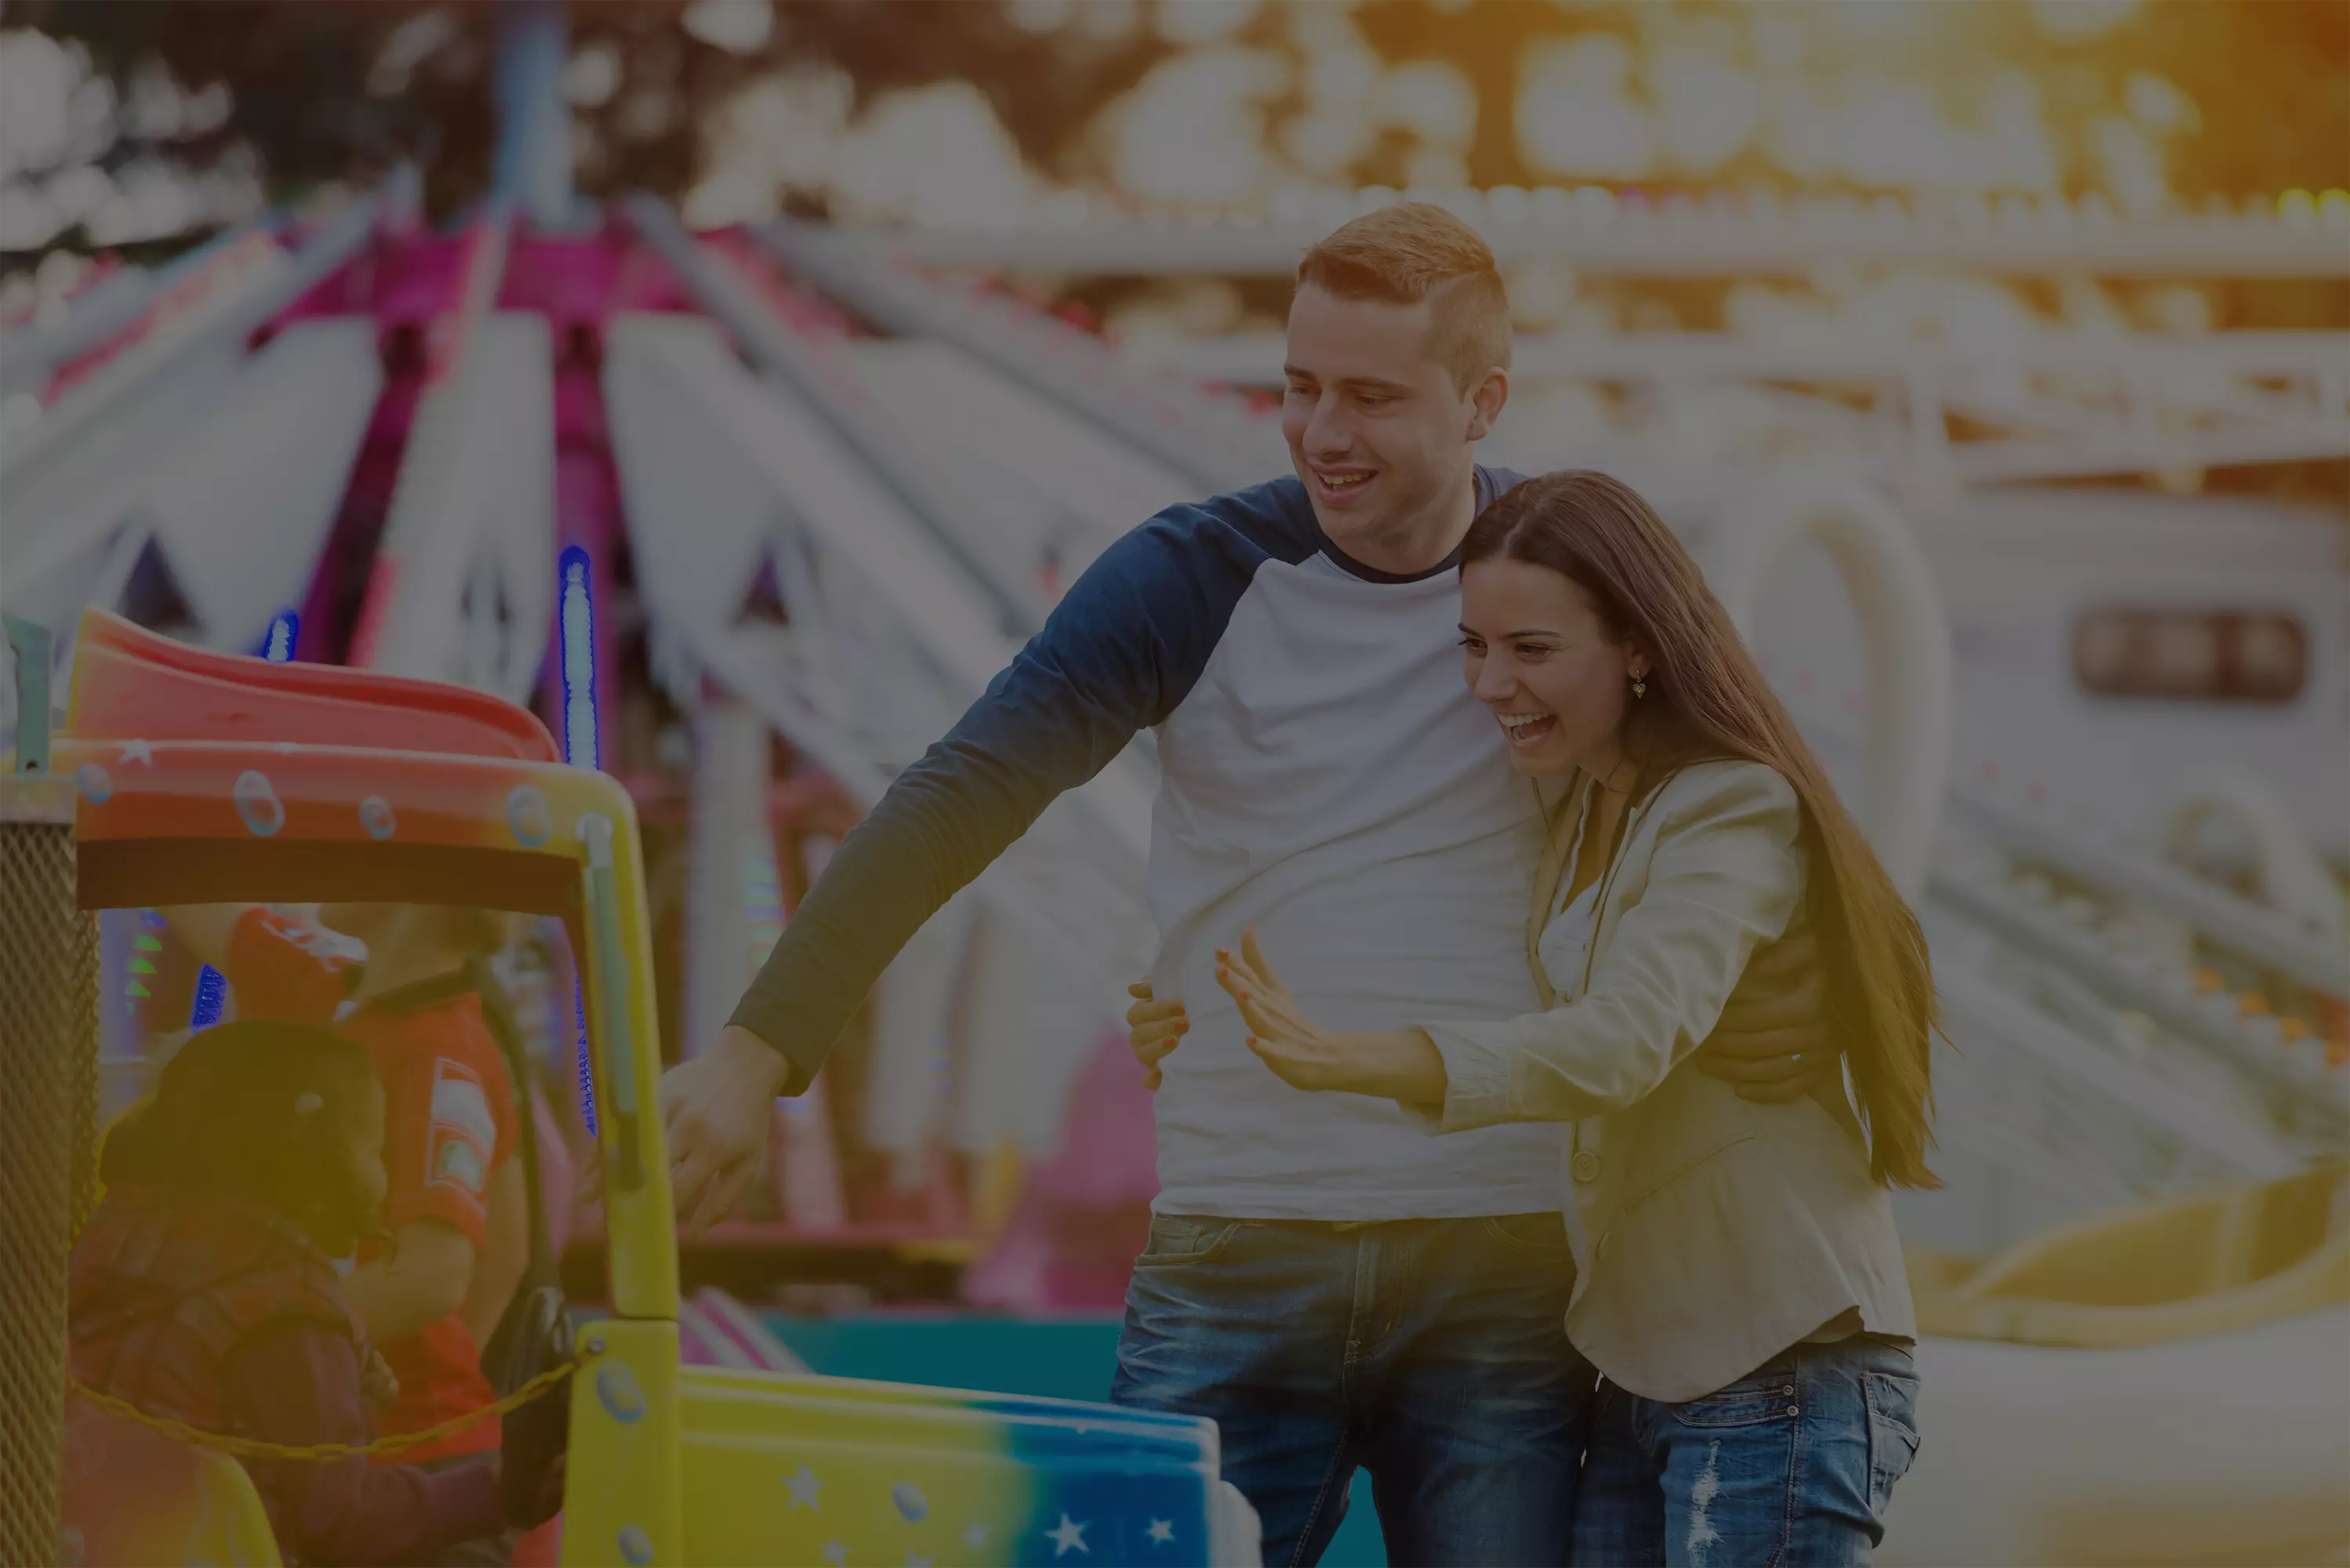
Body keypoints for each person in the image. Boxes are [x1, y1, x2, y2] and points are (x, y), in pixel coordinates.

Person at [659, 203, 1836, 1566]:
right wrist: (761, 1049)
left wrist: (1786, 1024)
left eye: (1371, 397)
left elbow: (1731, 815)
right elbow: (963, 790)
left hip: (1503, 1264)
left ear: (1481, 403)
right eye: (1298, 387)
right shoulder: (1191, 577)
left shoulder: (1563, 590)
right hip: (1237, 1246)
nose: (1320, 431)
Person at [1186, 470, 1933, 1566]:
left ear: (1637, 646)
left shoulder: (1727, 803)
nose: (1489, 682)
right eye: (1472, 645)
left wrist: (1369, 1062)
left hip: (1775, 1360)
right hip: (1641, 1365)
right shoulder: (1577, 794)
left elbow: (1625, 1038)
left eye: (1530, 650)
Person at [69, 1020, 563, 1564]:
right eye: (376, 1151)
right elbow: (343, 1521)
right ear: (311, 1149)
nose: (383, 1178)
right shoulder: (289, 1315)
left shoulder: (111, 1240)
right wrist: (495, 1490)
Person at [165, 902, 532, 1567]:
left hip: (417, 1478)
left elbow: (437, 1272)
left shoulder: (441, 1049)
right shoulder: (326, 987)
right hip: (346, 1454)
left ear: (412, 883)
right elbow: (508, 1253)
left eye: (363, 835)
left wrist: (243, 1338)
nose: (321, 857)